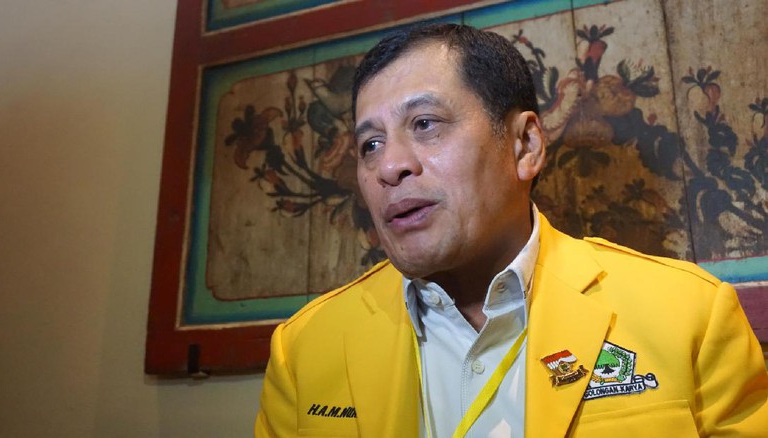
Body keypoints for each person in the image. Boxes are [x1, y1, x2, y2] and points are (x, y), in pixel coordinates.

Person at [255, 23, 768, 437]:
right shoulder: (304, 350)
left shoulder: (691, 316)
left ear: (525, 145)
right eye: (370, 145)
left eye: (425, 123)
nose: (389, 166)